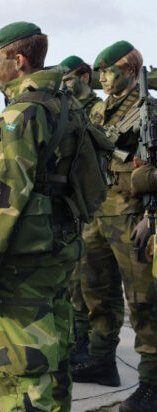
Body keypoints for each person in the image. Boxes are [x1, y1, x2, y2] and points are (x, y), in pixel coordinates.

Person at [0, 22, 87, 411]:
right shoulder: (66, 104)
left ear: (18, 61)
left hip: (23, 261)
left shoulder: (22, 114)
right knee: (56, 353)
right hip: (60, 247)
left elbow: (1, 201)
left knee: (23, 369)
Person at [74, 41, 157, 411]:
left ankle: (152, 383)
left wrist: (152, 218)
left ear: (128, 70)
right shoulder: (100, 112)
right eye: (101, 72)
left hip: (134, 219)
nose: (102, 78)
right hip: (98, 215)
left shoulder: (149, 111)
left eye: (109, 71)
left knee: (145, 303)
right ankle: (102, 361)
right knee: (97, 293)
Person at [59, 55, 104, 366]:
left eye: (69, 79)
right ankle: (78, 341)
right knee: (74, 282)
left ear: (85, 77)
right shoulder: (66, 110)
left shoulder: (97, 111)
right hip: (75, 207)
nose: (65, 86)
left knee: (94, 285)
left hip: (102, 208)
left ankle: (92, 349)